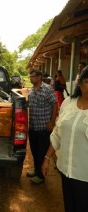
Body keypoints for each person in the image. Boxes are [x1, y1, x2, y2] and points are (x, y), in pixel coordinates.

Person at [42, 66, 88, 212]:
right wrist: (47, 158)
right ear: (80, 83)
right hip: (65, 171)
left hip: (85, 175)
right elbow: (57, 133)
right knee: (69, 206)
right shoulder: (68, 103)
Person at [27, 69, 58, 184]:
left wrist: (52, 122)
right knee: (34, 151)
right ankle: (36, 170)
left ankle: (41, 176)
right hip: (33, 127)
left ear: (39, 77)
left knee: (41, 152)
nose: (31, 78)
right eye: (30, 76)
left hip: (44, 128)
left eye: (33, 76)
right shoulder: (31, 90)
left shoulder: (47, 89)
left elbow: (55, 105)